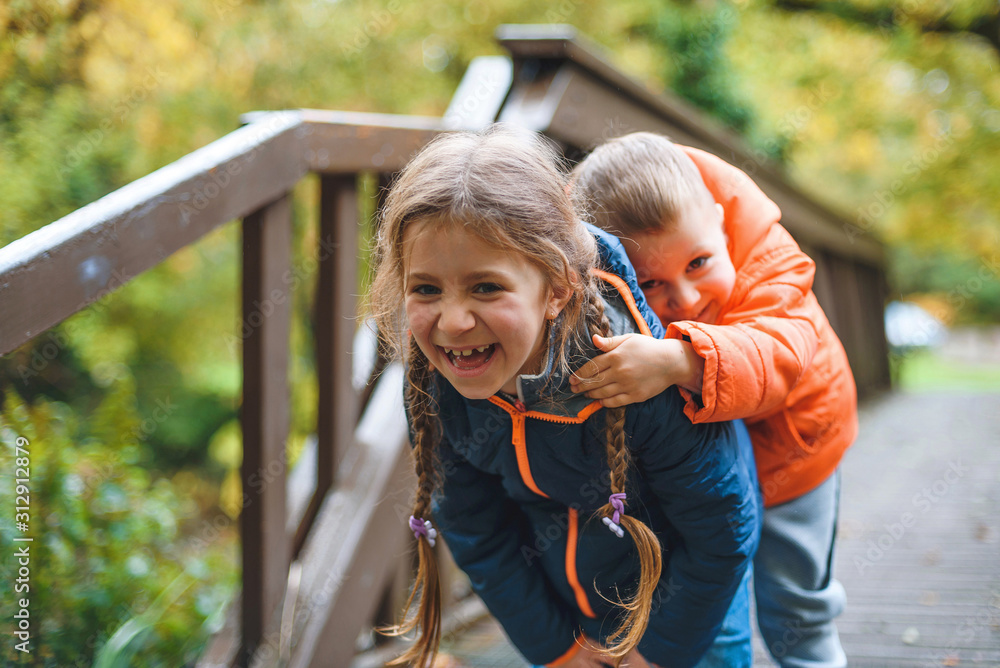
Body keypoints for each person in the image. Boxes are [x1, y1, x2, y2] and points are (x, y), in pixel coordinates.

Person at [368, 125, 761, 668]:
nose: (453, 322)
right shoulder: (437, 383)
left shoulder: (633, 372)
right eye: (426, 288)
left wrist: (660, 655)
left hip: (689, 596)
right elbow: (476, 531)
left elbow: (722, 530)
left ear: (556, 288)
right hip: (571, 593)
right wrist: (558, 650)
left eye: (486, 287)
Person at [569, 132, 858, 668]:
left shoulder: (771, 261)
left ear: (723, 227)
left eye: (699, 263)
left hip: (791, 451)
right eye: (651, 282)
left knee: (795, 608)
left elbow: (778, 353)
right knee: (713, 598)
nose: (687, 298)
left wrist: (681, 360)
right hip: (702, 469)